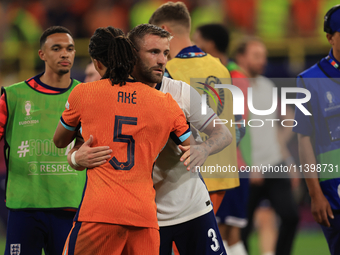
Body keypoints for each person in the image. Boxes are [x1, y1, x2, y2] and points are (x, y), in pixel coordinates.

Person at [68, 23, 231, 255]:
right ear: (132, 53)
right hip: (144, 218)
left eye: (166, 53)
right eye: (154, 52)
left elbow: (222, 133)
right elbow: (74, 143)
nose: (163, 60)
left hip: (191, 207)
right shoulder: (105, 93)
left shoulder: (180, 92)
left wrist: (204, 149)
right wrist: (76, 157)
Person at [54, 26, 192, 255]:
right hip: (145, 216)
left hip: (98, 213)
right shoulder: (166, 103)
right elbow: (191, 149)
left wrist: (76, 156)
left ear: (98, 64)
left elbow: (59, 140)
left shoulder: (84, 94)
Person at [1, 26, 86, 255]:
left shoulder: (86, 95)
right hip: (25, 208)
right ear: (42, 54)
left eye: (69, 49)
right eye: (56, 48)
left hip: (71, 207)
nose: (64, 54)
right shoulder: (13, 96)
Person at [149, 1, 239, 214]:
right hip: (222, 173)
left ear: (165, 31)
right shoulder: (220, 66)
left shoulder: (169, 71)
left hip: (190, 176)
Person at [235, 37, 299, 255]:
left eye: (263, 56)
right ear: (241, 57)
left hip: (274, 163)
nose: (262, 61)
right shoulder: (234, 88)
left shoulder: (266, 85)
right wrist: (246, 164)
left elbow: (286, 118)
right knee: (241, 225)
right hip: (247, 168)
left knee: (291, 216)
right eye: (256, 56)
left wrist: (286, 156)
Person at [193, 23, 249, 255]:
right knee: (219, 234)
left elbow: (239, 128)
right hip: (217, 167)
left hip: (226, 168)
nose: (193, 47)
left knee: (224, 234)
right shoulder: (220, 74)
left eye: (197, 42)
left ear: (210, 44)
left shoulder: (233, 76)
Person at [293, 5, 340, 255]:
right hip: (334, 194)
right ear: (330, 37)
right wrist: (315, 194)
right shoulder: (309, 79)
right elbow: (304, 141)